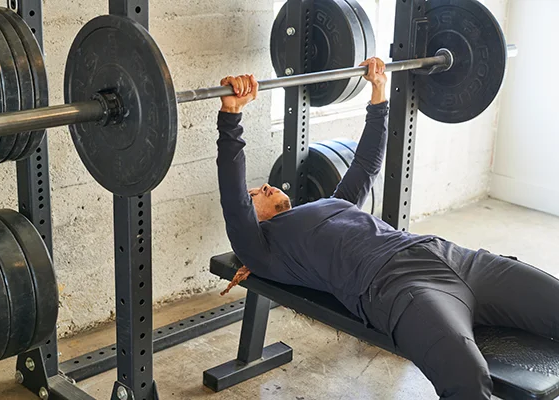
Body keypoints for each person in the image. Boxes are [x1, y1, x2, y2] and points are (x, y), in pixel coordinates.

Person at [214, 57, 559, 400]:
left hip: (452, 257)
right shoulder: (264, 249)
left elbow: (366, 163)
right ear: (252, 216)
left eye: (263, 186)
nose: (264, 188)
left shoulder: (334, 202)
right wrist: (232, 116)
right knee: (468, 377)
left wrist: (378, 92)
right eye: (255, 194)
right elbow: (233, 194)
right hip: (400, 287)